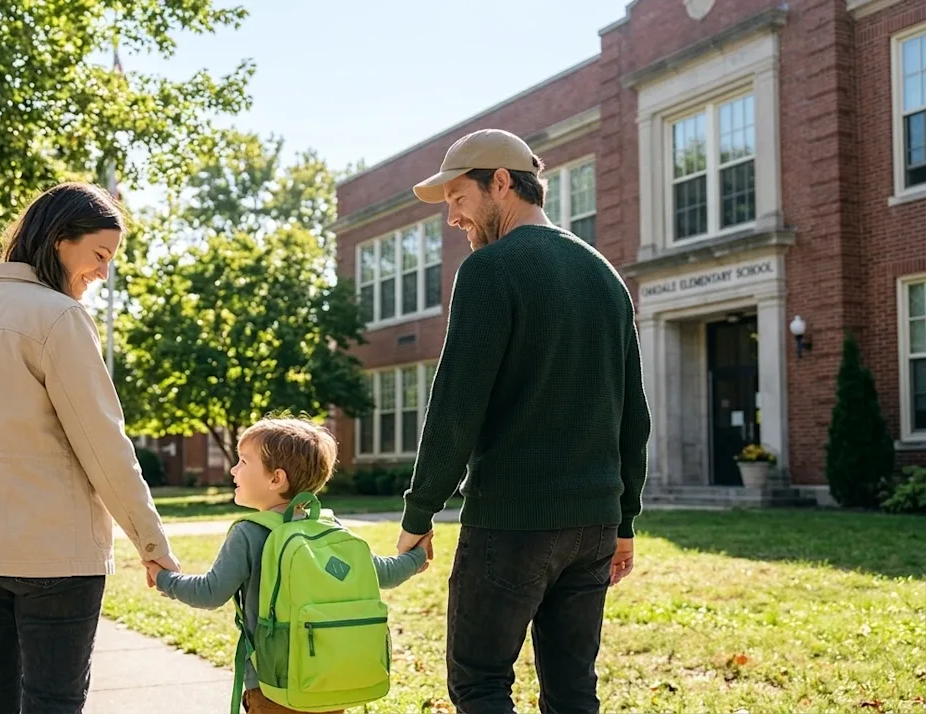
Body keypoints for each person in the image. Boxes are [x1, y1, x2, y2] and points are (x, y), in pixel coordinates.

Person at [396, 129, 652, 714]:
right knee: (571, 692)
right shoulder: (606, 276)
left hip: (511, 524)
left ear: (503, 183)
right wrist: (624, 521)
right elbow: (633, 416)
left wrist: (419, 513)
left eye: (459, 199)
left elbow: (457, 405)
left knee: (481, 684)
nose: (453, 218)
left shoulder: (491, 270)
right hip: (593, 525)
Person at [0, 182, 179, 714]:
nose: (103, 272)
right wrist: (151, 543)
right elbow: (104, 444)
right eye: (100, 255)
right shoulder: (60, 317)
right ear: (59, 240)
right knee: (53, 704)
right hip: (55, 560)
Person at [147, 417, 427, 714]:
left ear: (275, 479)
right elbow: (384, 572)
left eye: (243, 461)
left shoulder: (249, 533)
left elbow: (210, 592)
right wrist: (417, 556)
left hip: (274, 688)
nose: (233, 469)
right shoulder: (330, 529)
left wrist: (165, 578)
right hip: (330, 681)